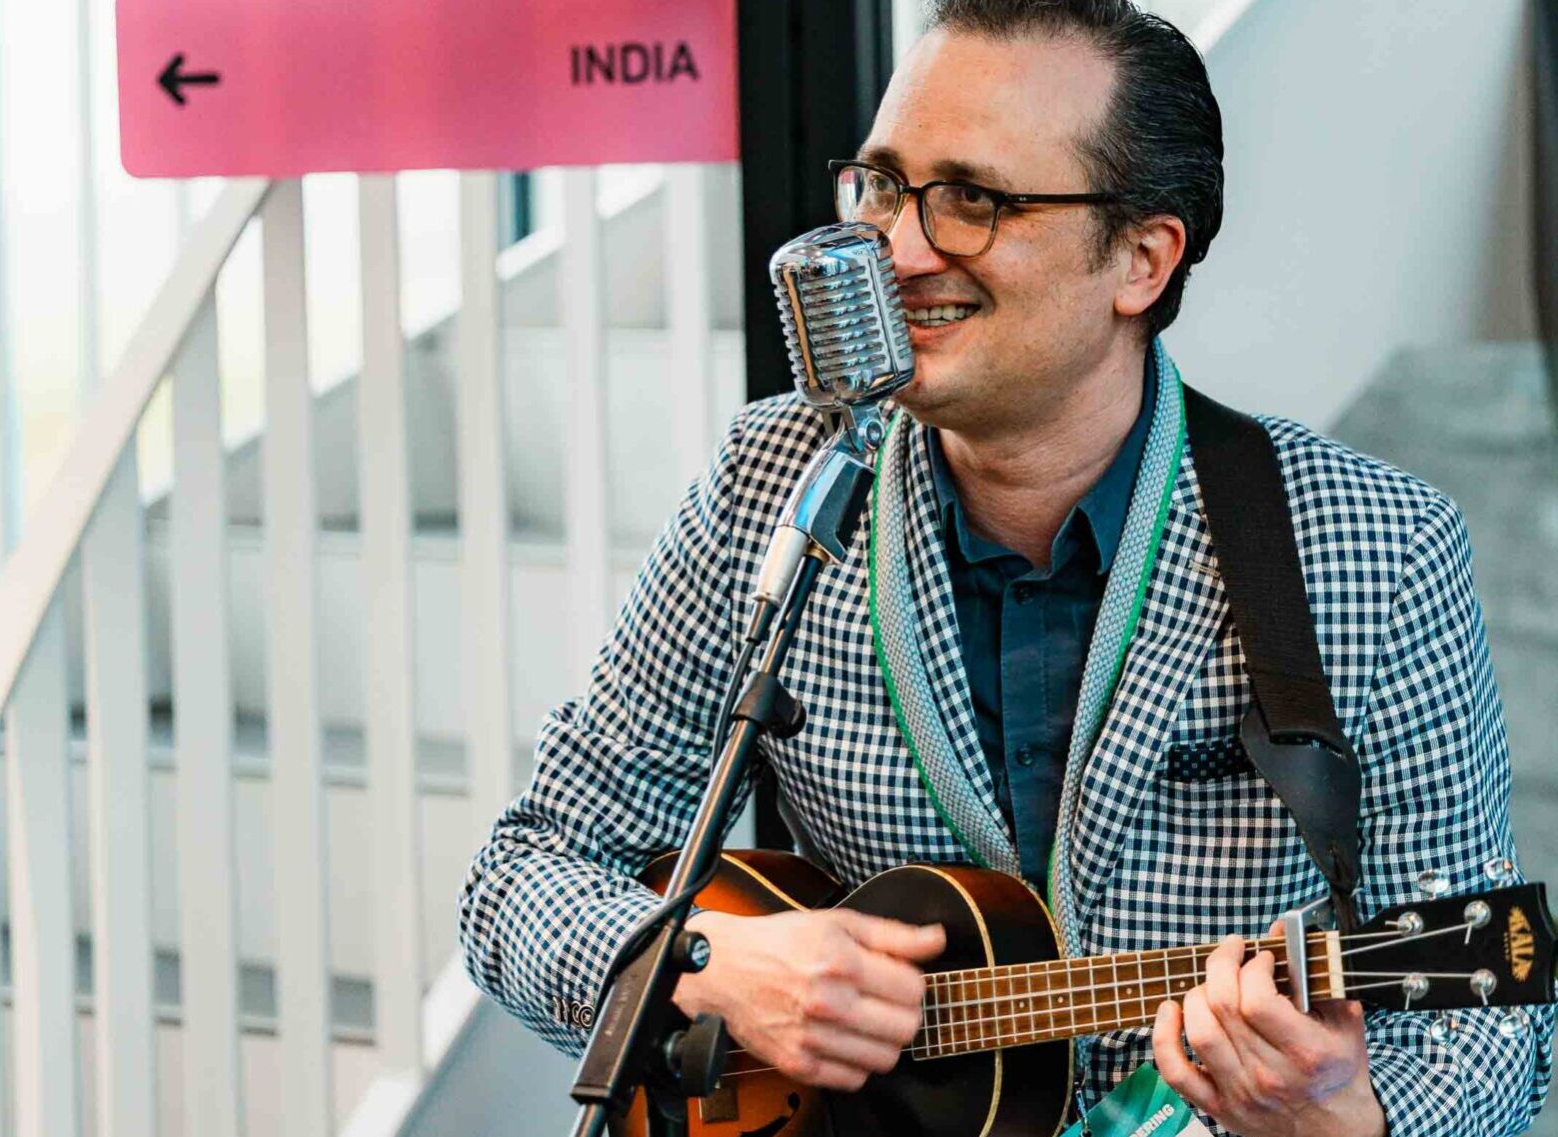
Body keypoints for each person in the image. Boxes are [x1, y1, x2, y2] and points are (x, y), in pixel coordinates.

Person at [457, 1, 1554, 1133]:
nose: (897, 249)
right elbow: (520, 876)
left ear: (1140, 258)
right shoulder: (774, 477)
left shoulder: (1373, 545)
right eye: (882, 187)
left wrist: (1348, 1118)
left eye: (973, 201)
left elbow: (1494, 1028)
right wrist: (705, 966)